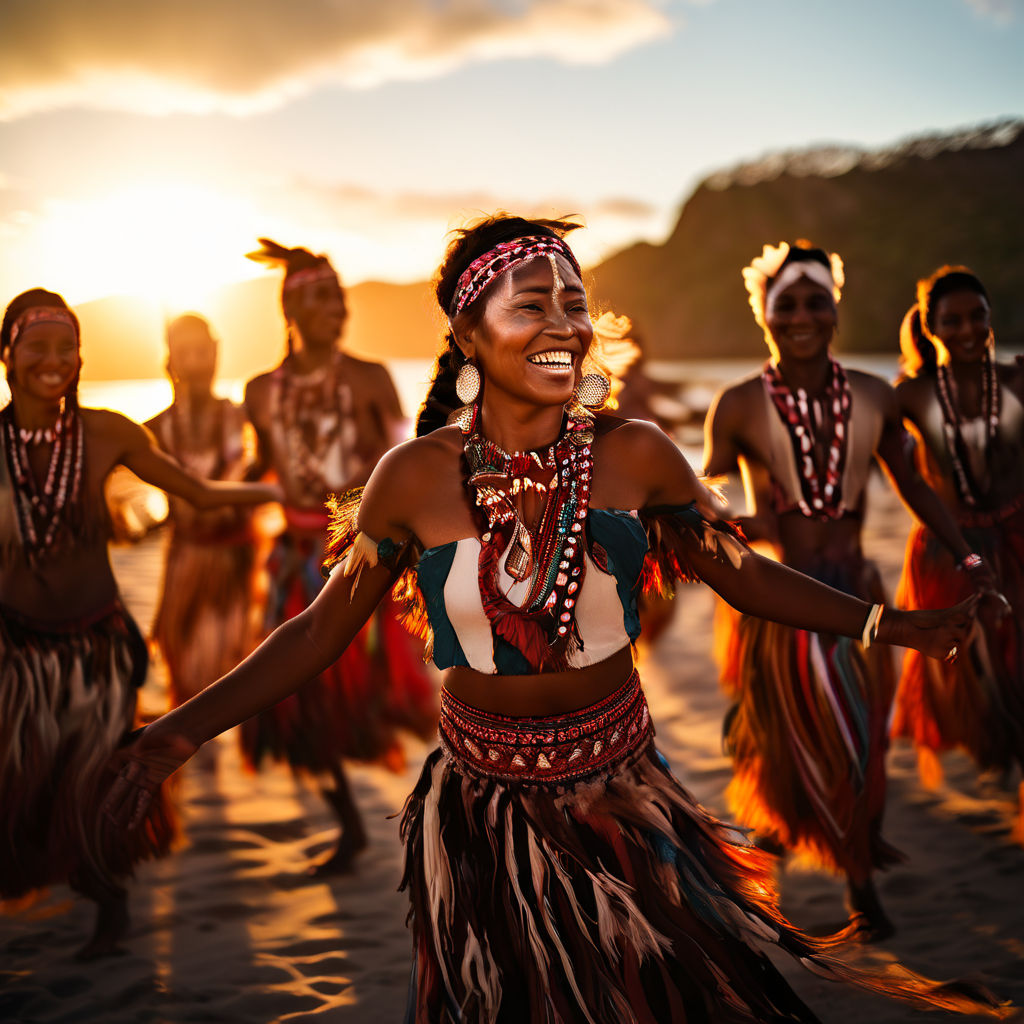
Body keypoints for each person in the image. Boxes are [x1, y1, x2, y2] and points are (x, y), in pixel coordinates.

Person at [103, 218, 1009, 1023]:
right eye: (531, 303)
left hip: (622, 798)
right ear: (466, 333)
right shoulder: (414, 478)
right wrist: (171, 735)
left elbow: (743, 576)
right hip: (481, 813)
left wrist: (892, 626)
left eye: (575, 303)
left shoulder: (634, 454)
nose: (565, 324)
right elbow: (315, 632)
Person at [702, 241, 1001, 940]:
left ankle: (859, 877)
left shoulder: (873, 394)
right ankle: (780, 842)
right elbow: (702, 497)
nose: (802, 316)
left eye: (816, 302)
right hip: (777, 599)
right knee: (784, 739)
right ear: (764, 315)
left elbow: (914, 483)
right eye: (787, 305)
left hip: (860, 593)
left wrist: (968, 555)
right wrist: (745, 519)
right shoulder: (739, 403)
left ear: (837, 309)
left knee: (863, 744)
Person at [0, 289, 279, 958]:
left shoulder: (107, 433)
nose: (54, 360)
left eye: (67, 348)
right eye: (37, 347)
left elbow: (203, 493)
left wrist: (291, 497)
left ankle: (111, 904)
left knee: (91, 784)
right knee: (24, 788)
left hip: (97, 648)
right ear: (6, 355)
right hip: (17, 656)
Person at [241, 239, 435, 873]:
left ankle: (456, 812)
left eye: (342, 296)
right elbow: (260, 468)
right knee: (301, 703)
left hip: (370, 560)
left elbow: (405, 461)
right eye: (323, 298)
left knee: (406, 698)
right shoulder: (260, 391)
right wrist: (198, 502)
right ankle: (351, 826)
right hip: (297, 563)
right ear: (290, 309)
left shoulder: (370, 378)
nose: (339, 309)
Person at [890, 266, 1022, 814]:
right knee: (972, 685)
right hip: (947, 550)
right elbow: (900, 475)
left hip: (1017, 538)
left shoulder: (1018, 381)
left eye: (978, 317)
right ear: (931, 328)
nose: (968, 330)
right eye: (953, 321)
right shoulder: (911, 395)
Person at [147, 315, 261, 756]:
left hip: (236, 564)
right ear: (171, 361)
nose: (200, 362)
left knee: (247, 683)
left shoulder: (241, 418)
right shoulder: (153, 430)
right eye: (188, 352)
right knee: (185, 686)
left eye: (206, 351)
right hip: (186, 564)